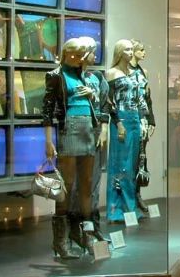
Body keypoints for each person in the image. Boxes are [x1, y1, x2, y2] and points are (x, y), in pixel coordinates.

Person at [42, 38, 99, 258]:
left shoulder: (83, 75)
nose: (77, 59)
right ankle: (60, 239)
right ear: (65, 54)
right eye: (73, 55)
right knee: (66, 185)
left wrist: (92, 96)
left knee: (86, 185)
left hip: (87, 130)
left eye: (80, 55)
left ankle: (85, 234)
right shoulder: (56, 76)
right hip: (69, 130)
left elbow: (92, 104)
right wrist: (49, 141)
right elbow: (47, 110)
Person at [69, 36, 111, 244]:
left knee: (94, 181)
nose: (96, 55)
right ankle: (76, 228)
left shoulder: (98, 78)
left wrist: (104, 129)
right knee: (78, 183)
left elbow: (105, 105)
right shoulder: (68, 76)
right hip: (77, 133)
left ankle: (92, 226)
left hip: (95, 133)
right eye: (93, 51)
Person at [105, 39, 148, 222]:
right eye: (127, 49)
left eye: (132, 49)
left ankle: (131, 207)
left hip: (135, 119)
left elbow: (141, 100)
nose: (131, 52)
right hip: (120, 119)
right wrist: (118, 123)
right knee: (119, 164)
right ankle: (116, 209)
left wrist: (144, 121)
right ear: (120, 52)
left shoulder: (135, 74)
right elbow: (108, 102)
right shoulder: (111, 74)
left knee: (132, 165)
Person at [128, 39, 155, 212]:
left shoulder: (143, 72)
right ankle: (128, 195)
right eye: (142, 50)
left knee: (142, 157)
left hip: (143, 117)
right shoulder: (124, 72)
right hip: (130, 117)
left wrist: (151, 120)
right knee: (130, 157)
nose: (144, 53)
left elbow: (148, 98)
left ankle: (138, 194)